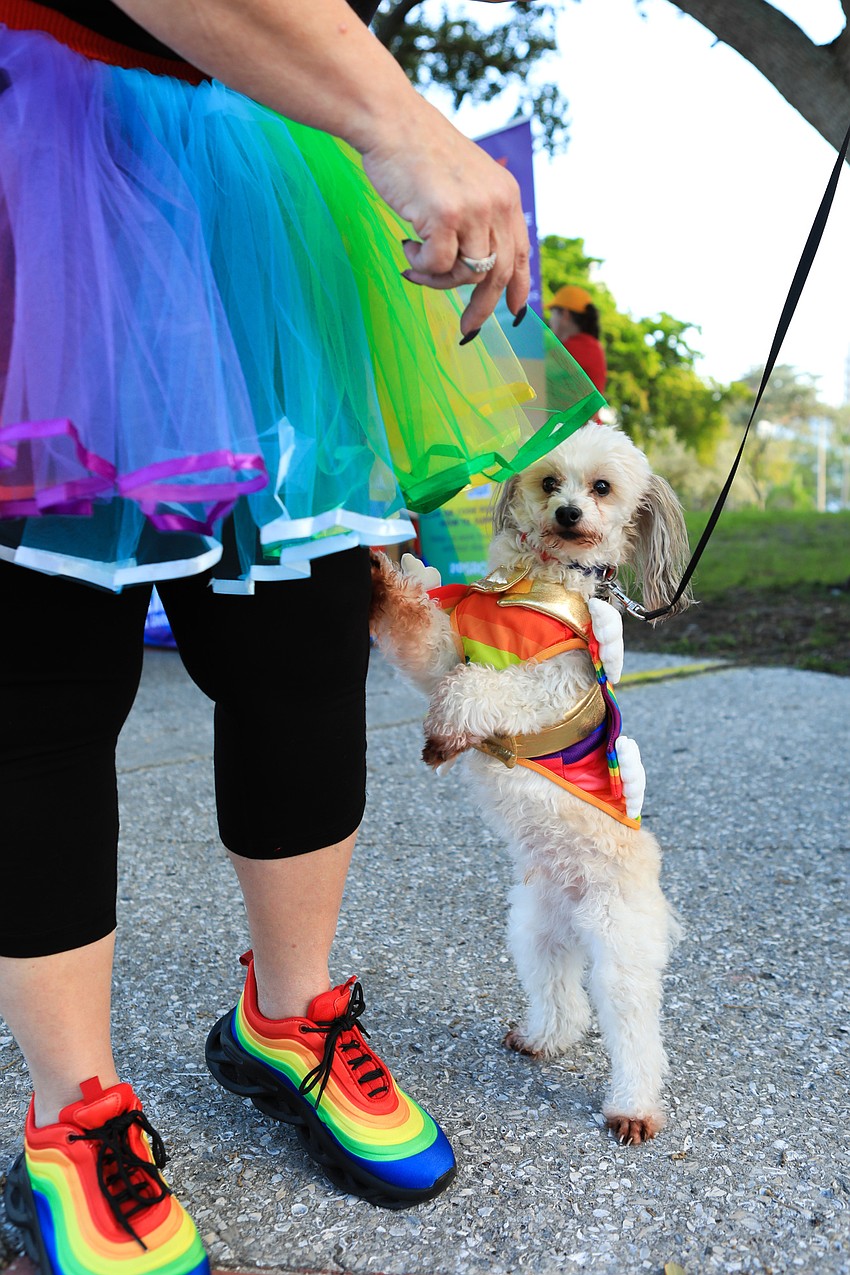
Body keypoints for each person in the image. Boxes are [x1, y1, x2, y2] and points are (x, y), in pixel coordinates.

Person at [0, 3, 604, 1271]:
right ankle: (70, 1121)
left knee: (304, 634)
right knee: (44, 658)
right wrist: (398, 120)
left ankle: (288, 1018)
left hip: (252, 161)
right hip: (43, 134)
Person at [547, 284, 608, 395]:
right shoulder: (589, 345)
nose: (550, 321)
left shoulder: (578, 348)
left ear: (565, 314)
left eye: (552, 314)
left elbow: (536, 372)